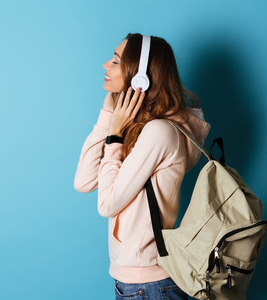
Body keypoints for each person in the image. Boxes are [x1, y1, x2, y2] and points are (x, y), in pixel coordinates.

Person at [74, 33, 210, 299]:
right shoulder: (140, 128)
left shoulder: (160, 133)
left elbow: (107, 205)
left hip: (149, 285)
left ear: (140, 77)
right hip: (136, 283)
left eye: (115, 61)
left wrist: (113, 136)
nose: (105, 65)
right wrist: (108, 116)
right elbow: (83, 181)